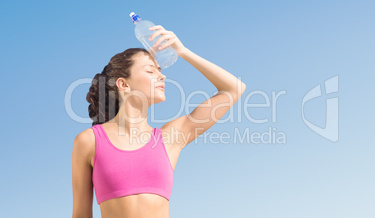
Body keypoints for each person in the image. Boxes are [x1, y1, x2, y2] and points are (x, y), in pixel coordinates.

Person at [72, 25, 246, 218]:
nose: (162, 76)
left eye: (160, 70)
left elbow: (233, 89)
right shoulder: (89, 141)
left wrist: (183, 51)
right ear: (123, 84)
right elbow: (81, 214)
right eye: (150, 71)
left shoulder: (169, 138)